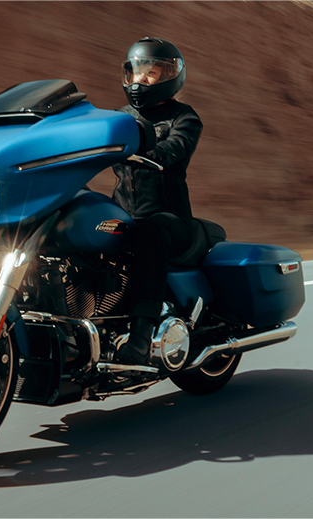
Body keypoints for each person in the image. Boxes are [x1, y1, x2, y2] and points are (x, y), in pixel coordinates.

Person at [112, 37, 203, 365]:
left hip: (170, 220)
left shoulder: (185, 117)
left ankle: (139, 337)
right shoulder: (120, 116)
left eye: (150, 73)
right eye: (136, 72)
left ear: (170, 76)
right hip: (124, 213)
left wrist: (151, 153)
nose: (141, 80)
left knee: (151, 232)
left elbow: (176, 146)